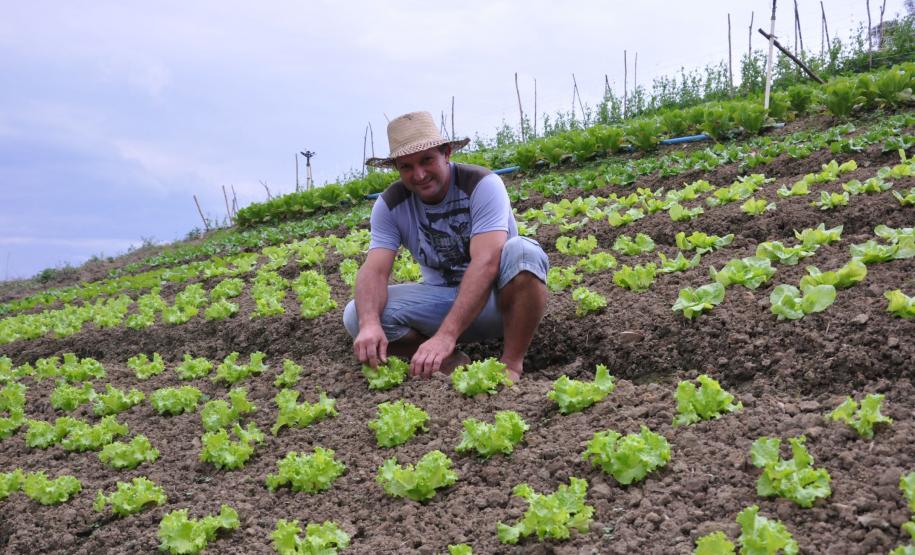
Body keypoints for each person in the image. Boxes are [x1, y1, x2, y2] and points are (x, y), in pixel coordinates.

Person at [342, 111, 549, 382]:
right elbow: (374, 270)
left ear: (446, 153)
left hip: (497, 303)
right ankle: (449, 362)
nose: (419, 175)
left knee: (525, 252)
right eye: (406, 167)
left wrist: (446, 336)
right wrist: (369, 324)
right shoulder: (390, 205)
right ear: (397, 169)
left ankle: (510, 365)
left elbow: (487, 261)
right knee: (356, 315)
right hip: (442, 300)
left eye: (427, 160)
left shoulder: (482, 185)